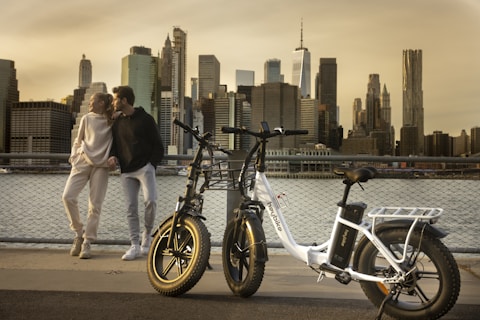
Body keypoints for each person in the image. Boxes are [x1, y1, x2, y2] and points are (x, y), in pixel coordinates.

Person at [107, 86, 164, 261]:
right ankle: (134, 245)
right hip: (126, 171)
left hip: (145, 168)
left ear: (124, 100)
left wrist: (151, 165)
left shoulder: (146, 119)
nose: (113, 102)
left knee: (151, 201)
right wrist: (113, 156)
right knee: (131, 208)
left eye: (116, 99)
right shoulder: (117, 122)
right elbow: (114, 145)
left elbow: (158, 145)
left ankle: (147, 234)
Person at [62, 92, 114, 259]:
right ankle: (78, 233)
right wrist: (74, 156)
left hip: (102, 166)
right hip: (82, 161)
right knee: (68, 196)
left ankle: (87, 242)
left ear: (101, 103)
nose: (90, 103)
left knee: (95, 206)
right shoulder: (86, 118)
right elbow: (78, 140)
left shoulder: (112, 120)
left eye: (93, 101)